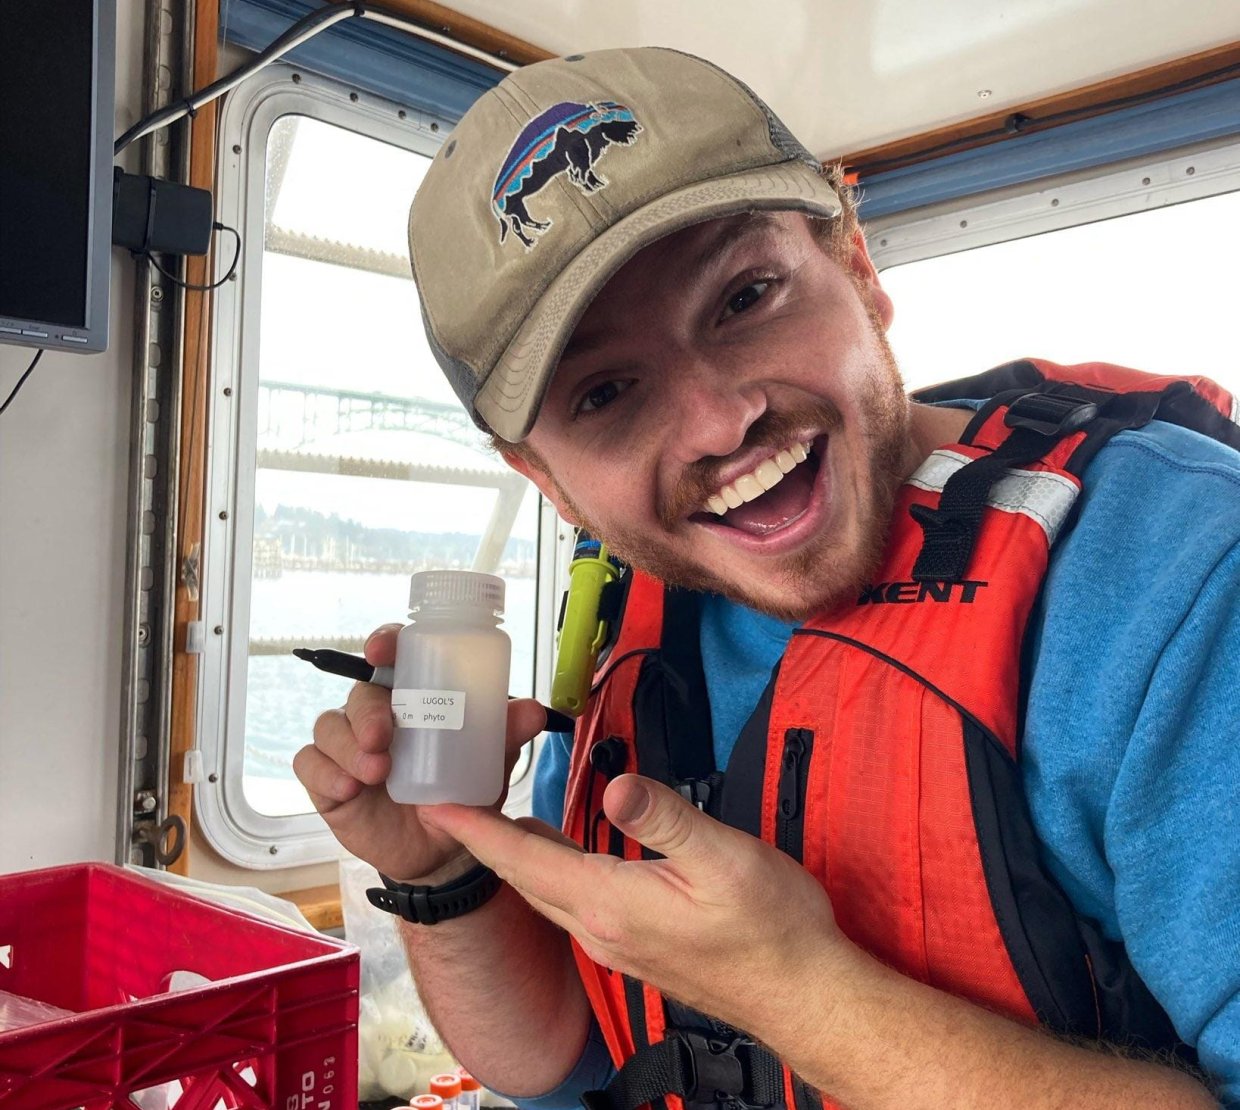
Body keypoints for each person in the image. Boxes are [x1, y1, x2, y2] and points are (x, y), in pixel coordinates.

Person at [295, 47, 1240, 1110]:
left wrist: (799, 994)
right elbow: (573, 1065)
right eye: (605, 394)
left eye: (745, 297)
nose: (720, 422)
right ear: (544, 479)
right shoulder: (626, 620)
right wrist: (443, 876)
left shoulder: (1178, 573)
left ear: (857, 267)